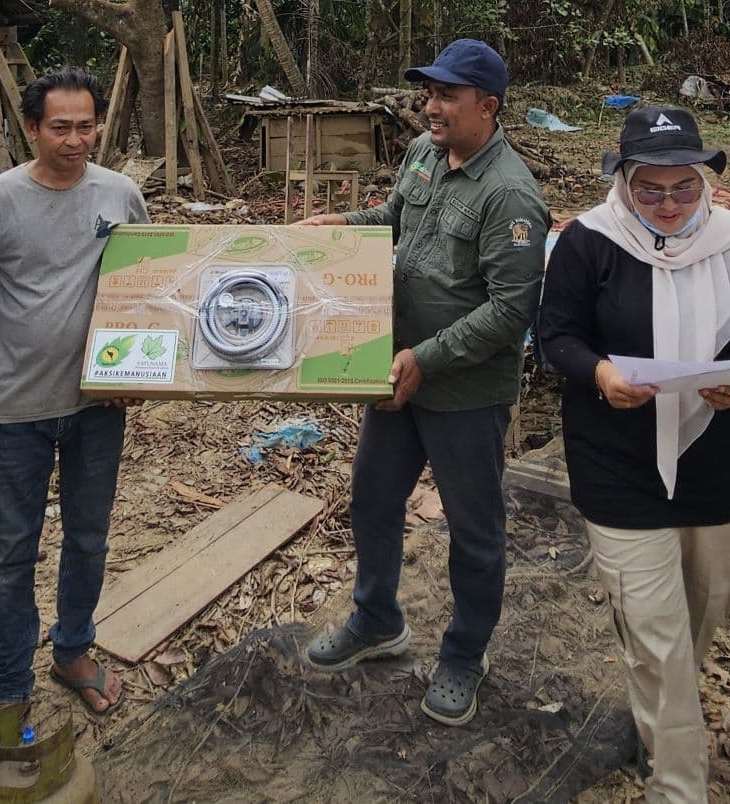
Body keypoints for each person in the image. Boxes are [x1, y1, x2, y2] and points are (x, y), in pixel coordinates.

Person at [537, 106, 730, 803]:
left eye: (685, 188)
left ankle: (661, 726)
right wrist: (602, 375)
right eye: (651, 189)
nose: (669, 204)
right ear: (623, 180)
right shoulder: (591, 242)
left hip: (716, 466)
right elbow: (555, 335)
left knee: (699, 617)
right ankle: (678, 785)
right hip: (618, 465)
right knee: (657, 640)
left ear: (706, 182)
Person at [297, 39, 549, 727]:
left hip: (461, 390)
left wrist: (426, 358)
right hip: (397, 368)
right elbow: (392, 223)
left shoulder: (512, 196)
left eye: (445, 96)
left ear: (487, 106)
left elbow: (510, 312)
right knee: (373, 498)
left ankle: (465, 654)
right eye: (428, 93)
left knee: (474, 529)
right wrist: (338, 229)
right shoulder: (423, 155)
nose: (429, 106)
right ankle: (377, 619)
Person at [0, 68, 149, 735]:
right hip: (15, 415)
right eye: (59, 127)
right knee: (12, 555)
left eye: (86, 125)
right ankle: (10, 687)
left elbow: (148, 278)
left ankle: (71, 650)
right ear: (31, 128)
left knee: (88, 539)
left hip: (98, 406)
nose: (74, 139)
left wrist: (140, 371)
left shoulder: (119, 193)